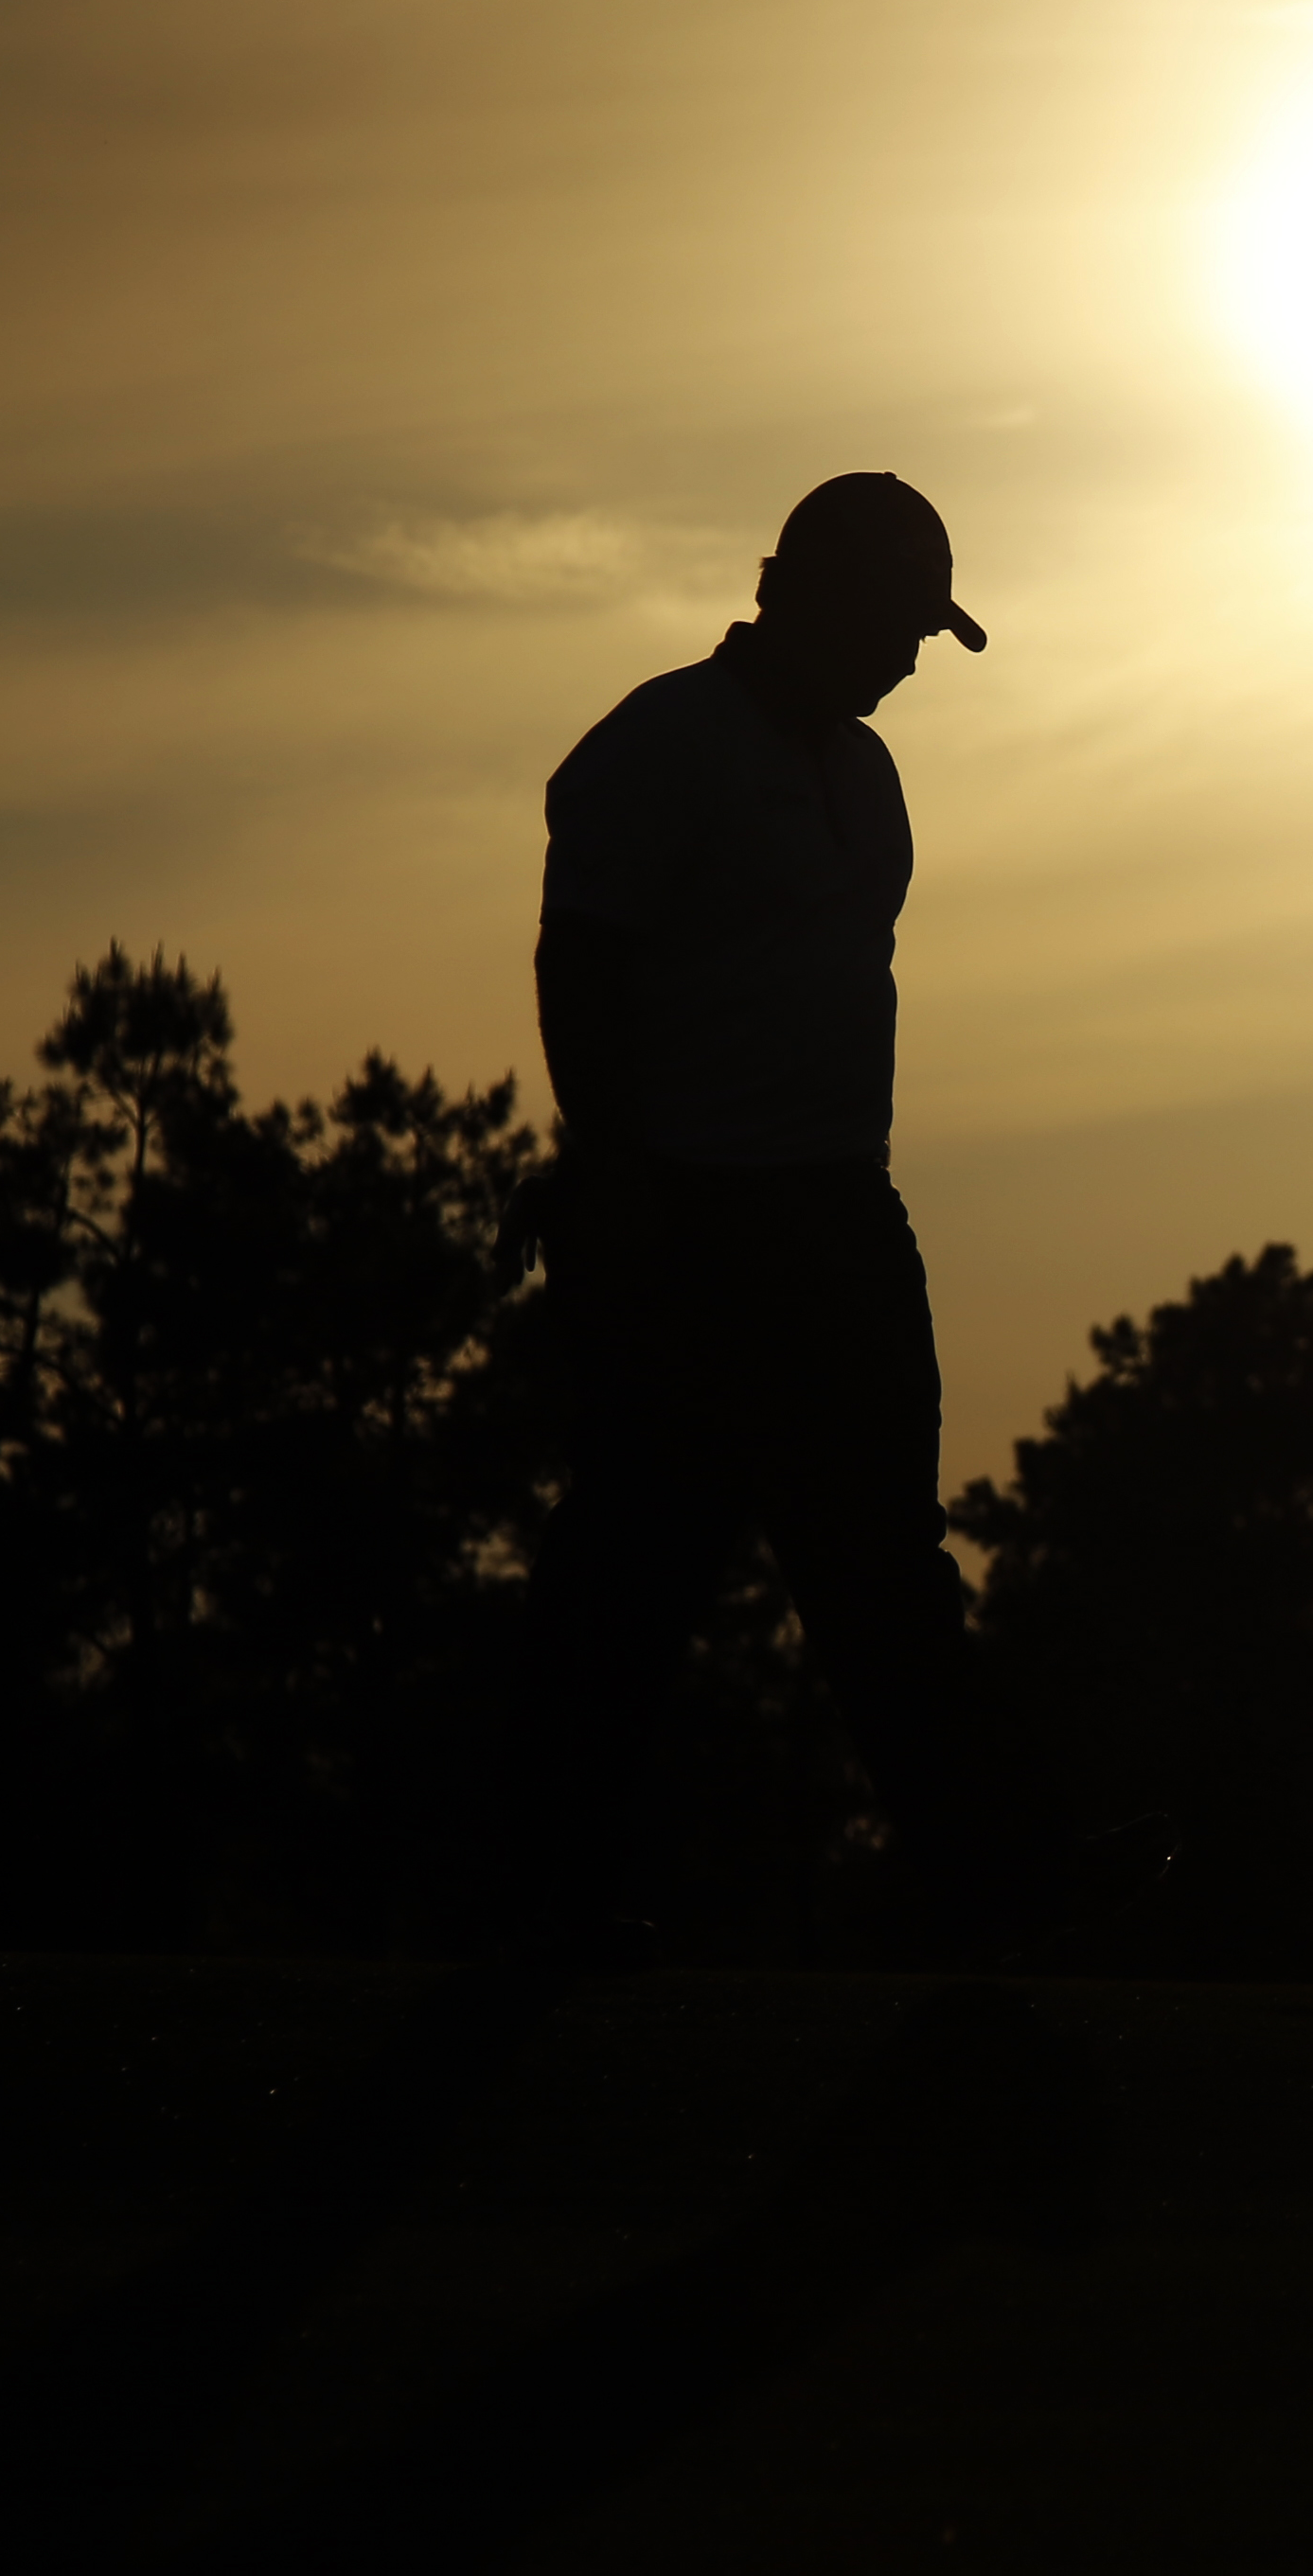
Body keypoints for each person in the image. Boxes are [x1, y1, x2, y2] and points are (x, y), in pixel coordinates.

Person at [495, 470, 1151, 1962]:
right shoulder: (660, 745)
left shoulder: (867, 772)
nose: (915, 656)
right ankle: (545, 1896)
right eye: (898, 621)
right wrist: (621, 1180)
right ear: (797, 590)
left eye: (927, 627)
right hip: (689, 1219)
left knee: (880, 1565)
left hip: (838, 1209)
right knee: (637, 1566)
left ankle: (996, 1879)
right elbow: (580, 969)